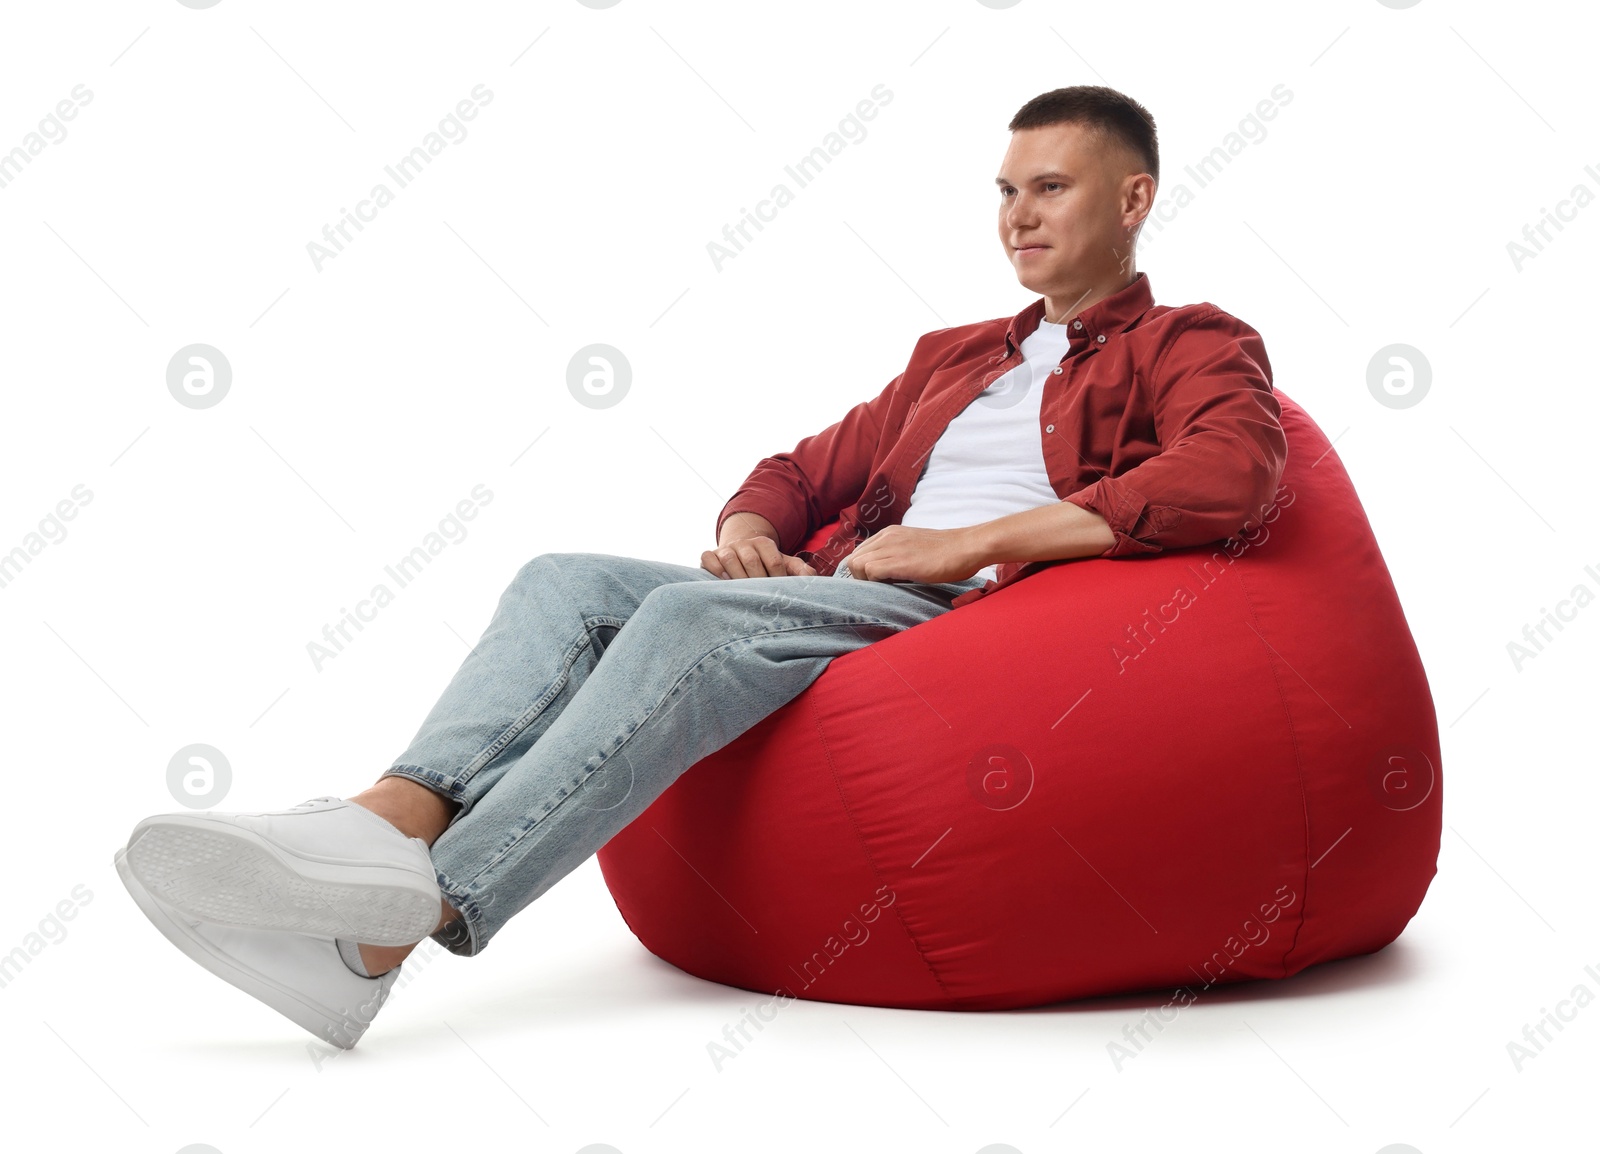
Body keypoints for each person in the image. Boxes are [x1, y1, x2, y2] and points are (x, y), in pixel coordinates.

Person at [114, 84, 1287, 1049]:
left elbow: (1233, 473)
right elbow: (802, 467)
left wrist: (968, 542)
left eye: (1049, 188)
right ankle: (386, 822)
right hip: (844, 586)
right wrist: (744, 528)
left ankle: (406, 911)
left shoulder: (1186, 342)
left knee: (680, 623)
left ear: (1132, 198)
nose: (1015, 217)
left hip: (962, 618)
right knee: (563, 577)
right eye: (1003, 190)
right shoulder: (960, 354)